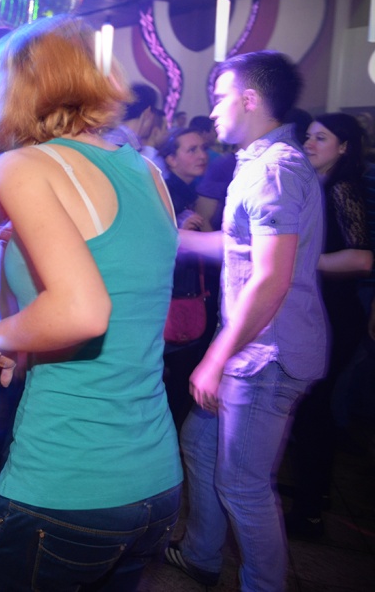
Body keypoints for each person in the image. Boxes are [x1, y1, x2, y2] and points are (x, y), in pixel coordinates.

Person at [0, 17, 181, 591]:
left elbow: (84, 312)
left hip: (66, 483)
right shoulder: (148, 172)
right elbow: (123, 297)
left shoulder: (20, 167)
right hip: (154, 483)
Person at [166, 51, 326, 591]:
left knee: (244, 487)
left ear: (250, 99)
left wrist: (215, 359)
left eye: (220, 97)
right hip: (254, 350)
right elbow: (236, 248)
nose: (213, 109)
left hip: (265, 357)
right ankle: (201, 555)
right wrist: (166, 235)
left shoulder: (274, 169)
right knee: (199, 444)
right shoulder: (260, 162)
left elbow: (270, 279)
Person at [287, 113, 373, 539]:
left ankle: (309, 513)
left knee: (315, 407)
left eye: (321, 138)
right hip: (323, 311)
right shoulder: (318, 184)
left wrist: (302, 261)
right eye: (308, 136)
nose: (309, 143)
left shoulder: (342, 187)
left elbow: (362, 258)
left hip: (337, 317)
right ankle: (315, 493)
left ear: (343, 147)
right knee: (311, 405)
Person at [159, 128, 211, 429]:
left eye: (202, 148)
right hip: (171, 302)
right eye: (192, 150)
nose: (202, 155)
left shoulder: (188, 192)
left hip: (181, 299)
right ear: (171, 158)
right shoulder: (168, 194)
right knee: (175, 386)